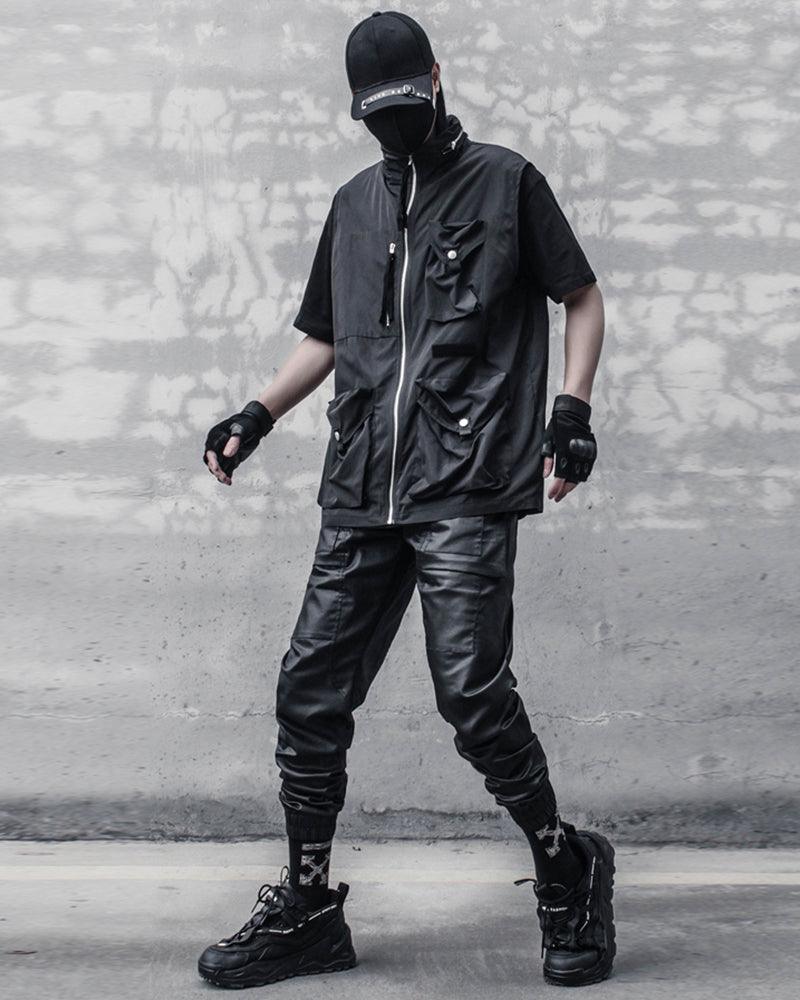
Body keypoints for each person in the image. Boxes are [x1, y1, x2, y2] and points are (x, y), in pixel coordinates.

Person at [197, 9, 613, 991]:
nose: (391, 124)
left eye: (402, 102)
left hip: (467, 479)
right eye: (372, 113)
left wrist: (570, 411)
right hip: (359, 485)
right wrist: (256, 413)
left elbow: (581, 296)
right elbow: (328, 333)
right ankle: (308, 909)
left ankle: (566, 867)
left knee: (471, 695)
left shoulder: (506, 182)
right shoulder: (353, 204)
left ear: (435, 77)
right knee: (308, 694)